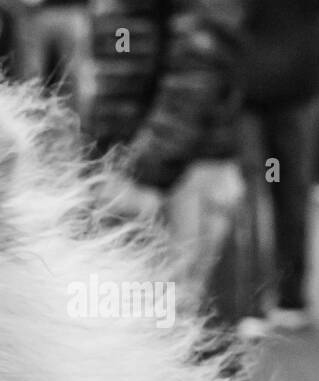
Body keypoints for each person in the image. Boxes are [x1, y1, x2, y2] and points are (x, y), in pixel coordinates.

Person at [84, 0, 246, 305]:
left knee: (177, 315)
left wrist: (145, 173)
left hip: (180, 173)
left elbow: (196, 76)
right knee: (149, 313)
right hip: (147, 168)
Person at [232, 0, 319, 339]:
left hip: (277, 92)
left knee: (264, 191)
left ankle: (272, 300)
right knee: (279, 192)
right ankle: (284, 299)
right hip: (272, 92)